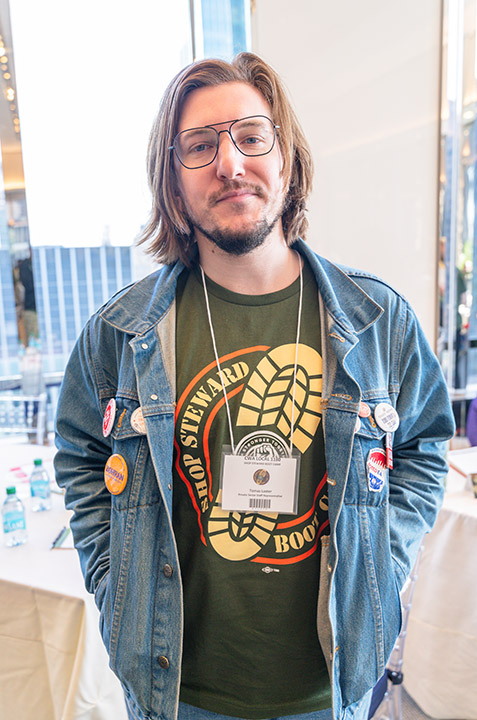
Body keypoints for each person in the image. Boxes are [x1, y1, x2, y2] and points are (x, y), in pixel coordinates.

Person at [54, 53, 455, 720]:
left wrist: (383, 563)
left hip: (328, 689)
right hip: (175, 691)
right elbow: (80, 457)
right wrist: (111, 578)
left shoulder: (377, 322)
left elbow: (425, 445)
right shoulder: (119, 333)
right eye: (199, 146)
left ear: (286, 158)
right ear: (173, 182)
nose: (229, 163)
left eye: (250, 136)